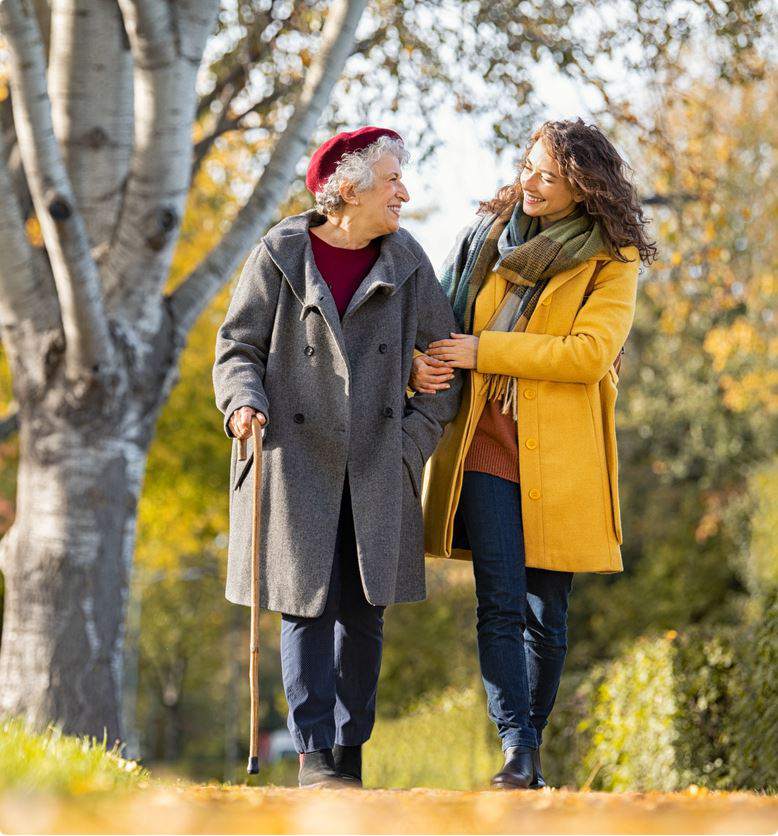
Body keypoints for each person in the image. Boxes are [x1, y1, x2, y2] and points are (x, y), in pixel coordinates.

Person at [213, 126, 462, 788]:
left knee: (363, 612)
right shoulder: (280, 254)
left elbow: (446, 365)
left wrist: (411, 443)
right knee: (306, 607)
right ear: (348, 191)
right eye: (392, 182)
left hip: (379, 461)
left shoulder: (407, 259)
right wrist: (241, 402)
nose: (404, 194)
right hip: (296, 459)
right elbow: (238, 347)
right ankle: (315, 756)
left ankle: (351, 755)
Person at [412, 119, 657, 789]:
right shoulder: (487, 239)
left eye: (548, 176)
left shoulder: (612, 260)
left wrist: (486, 351)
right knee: (499, 601)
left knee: (547, 614)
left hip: (562, 458)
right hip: (486, 442)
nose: (529, 183)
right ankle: (517, 751)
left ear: (583, 190)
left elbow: (587, 354)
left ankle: (532, 744)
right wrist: (420, 360)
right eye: (527, 166)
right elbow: (437, 317)